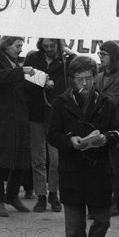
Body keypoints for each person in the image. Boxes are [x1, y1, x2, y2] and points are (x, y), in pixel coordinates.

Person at [47, 56, 119, 237]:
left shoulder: (106, 103)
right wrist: (71, 141)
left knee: (102, 221)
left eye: (89, 78)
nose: (85, 84)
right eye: (80, 79)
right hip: (72, 171)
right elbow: (52, 135)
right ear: (72, 80)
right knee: (75, 228)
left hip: (99, 171)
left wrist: (105, 139)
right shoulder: (61, 103)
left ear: (95, 77)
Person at [24, 38, 76, 212]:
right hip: (36, 112)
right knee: (38, 157)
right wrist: (42, 81)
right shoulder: (33, 58)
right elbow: (24, 76)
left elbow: (81, 68)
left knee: (56, 158)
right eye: (45, 46)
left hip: (56, 115)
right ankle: (41, 195)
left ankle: (53, 192)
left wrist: (71, 54)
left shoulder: (65, 61)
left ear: (58, 44)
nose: (48, 49)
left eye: (52, 46)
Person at [0, 36, 33, 217]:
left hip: (19, 116)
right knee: (0, 159)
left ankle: (12, 195)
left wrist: (41, 82)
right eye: (17, 46)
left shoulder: (16, 64)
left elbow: (21, 87)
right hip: (1, 117)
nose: (20, 49)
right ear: (6, 46)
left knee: (21, 158)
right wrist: (22, 73)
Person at [96, 41, 119, 217]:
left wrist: (92, 100)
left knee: (116, 169)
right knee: (103, 168)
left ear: (113, 57)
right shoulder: (99, 76)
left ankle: (117, 203)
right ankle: (103, 201)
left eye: (103, 54)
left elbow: (110, 102)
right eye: (99, 54)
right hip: (100, 128)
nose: (100, 57)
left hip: (116, 128)